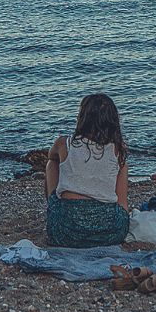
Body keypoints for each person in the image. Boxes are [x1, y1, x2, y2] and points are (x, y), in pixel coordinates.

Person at [43, 92, 130, 248]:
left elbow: (51, 156)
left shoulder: (64, 143)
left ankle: (53, 206)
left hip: (65, 233)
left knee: (51, 163)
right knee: (122, 167)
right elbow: (122, 205)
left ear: (82, 118)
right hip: (110, 233)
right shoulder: (118, 150)